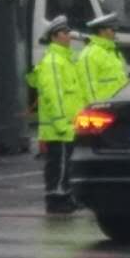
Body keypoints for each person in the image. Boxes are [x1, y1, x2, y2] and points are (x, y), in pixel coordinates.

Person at [30, 15, 86, 214]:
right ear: (54, 37)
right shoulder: (54, 62)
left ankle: (66, 195)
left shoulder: (65, 60)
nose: (68, 36)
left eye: (68, 32)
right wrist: (61, 123)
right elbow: (54, 96)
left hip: (69, 124)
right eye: (64, 33)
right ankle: (56, 198)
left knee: (66, 163)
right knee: (59, 164)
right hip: (59, 126)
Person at [80, 12, 129, 102]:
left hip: (119, 103)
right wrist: (96, 108)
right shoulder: (89, 54)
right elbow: (89, 88)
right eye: (112, 29)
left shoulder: (114, 51)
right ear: (102, 31)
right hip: (104, 106)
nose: (115, 32)